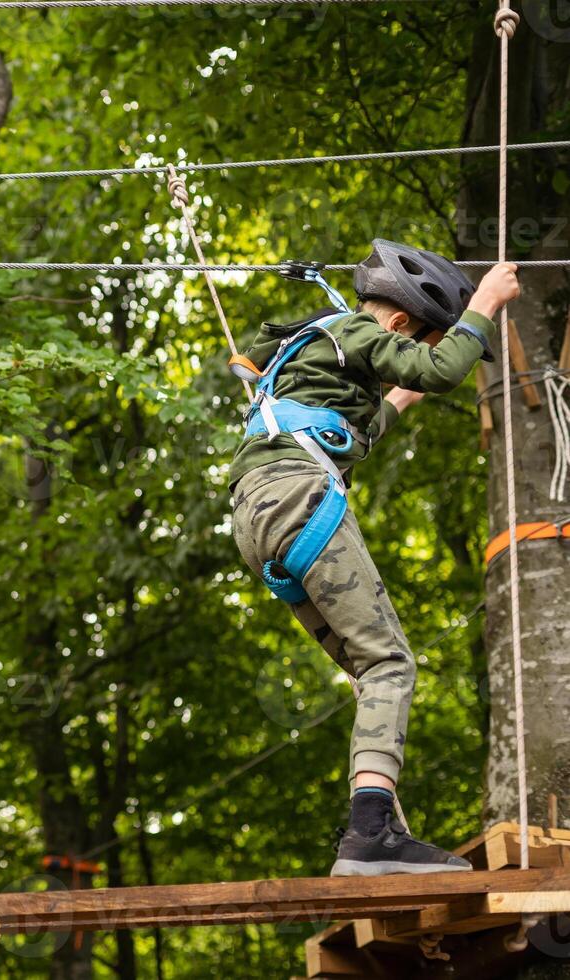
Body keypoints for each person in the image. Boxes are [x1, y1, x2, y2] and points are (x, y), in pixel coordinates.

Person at [228, 240, 519, 876]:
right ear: (397, 323)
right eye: (415, 345)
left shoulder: (317, 350)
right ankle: (369, 836)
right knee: (391, 664)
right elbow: (441, 373)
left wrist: (396, 398)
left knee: (371, 671)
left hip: (259, 516)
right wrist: (488, 303)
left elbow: (357, 424)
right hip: (301, 499)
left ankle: (382, 830)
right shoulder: (360, 329)